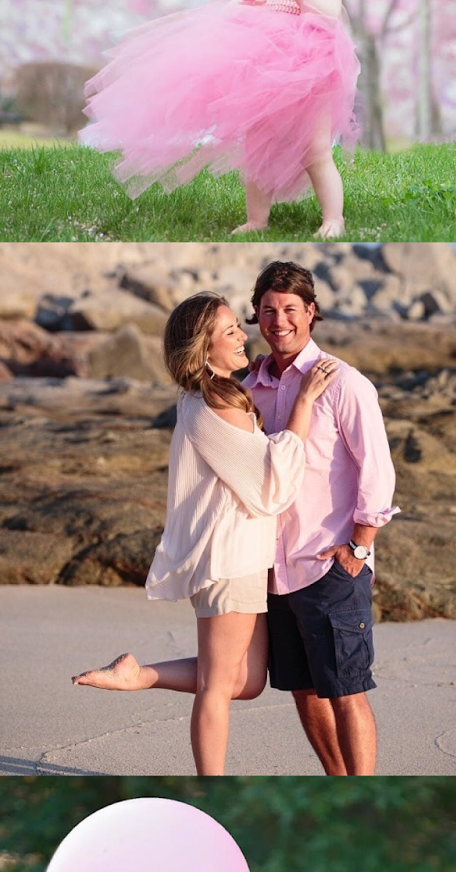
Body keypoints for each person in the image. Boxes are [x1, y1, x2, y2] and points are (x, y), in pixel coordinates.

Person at [69, 293, 339, 776]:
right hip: (229, 560)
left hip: (242, 560)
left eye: (240, 327)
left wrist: (245, 373)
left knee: (248, 680)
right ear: (202, 347)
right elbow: (269, 487)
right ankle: (210, 786)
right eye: (230, 330)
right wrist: (303, 403)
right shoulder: (213, 404)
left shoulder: (207, 395)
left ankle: (138, 674)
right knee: (219, 686)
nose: (244, 336)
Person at [78, 0, 359, 238]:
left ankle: (333, 218)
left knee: (316, 150)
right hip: (262, 82)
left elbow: (330, 13)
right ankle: (257, 220)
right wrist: (241, 6)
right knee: (257, 150)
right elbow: (230, 32)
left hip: (312, 76)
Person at [242, 261, 398, 777]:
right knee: (303, 689)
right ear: (256, 316)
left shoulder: (344, 382)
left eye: (290, 308)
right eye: (268, 309)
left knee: (347, 690)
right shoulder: (249, 388)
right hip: (272, 569)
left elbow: (377, 468)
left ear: (311, 312)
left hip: (330, 562)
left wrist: (359, 546)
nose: (278, 319)